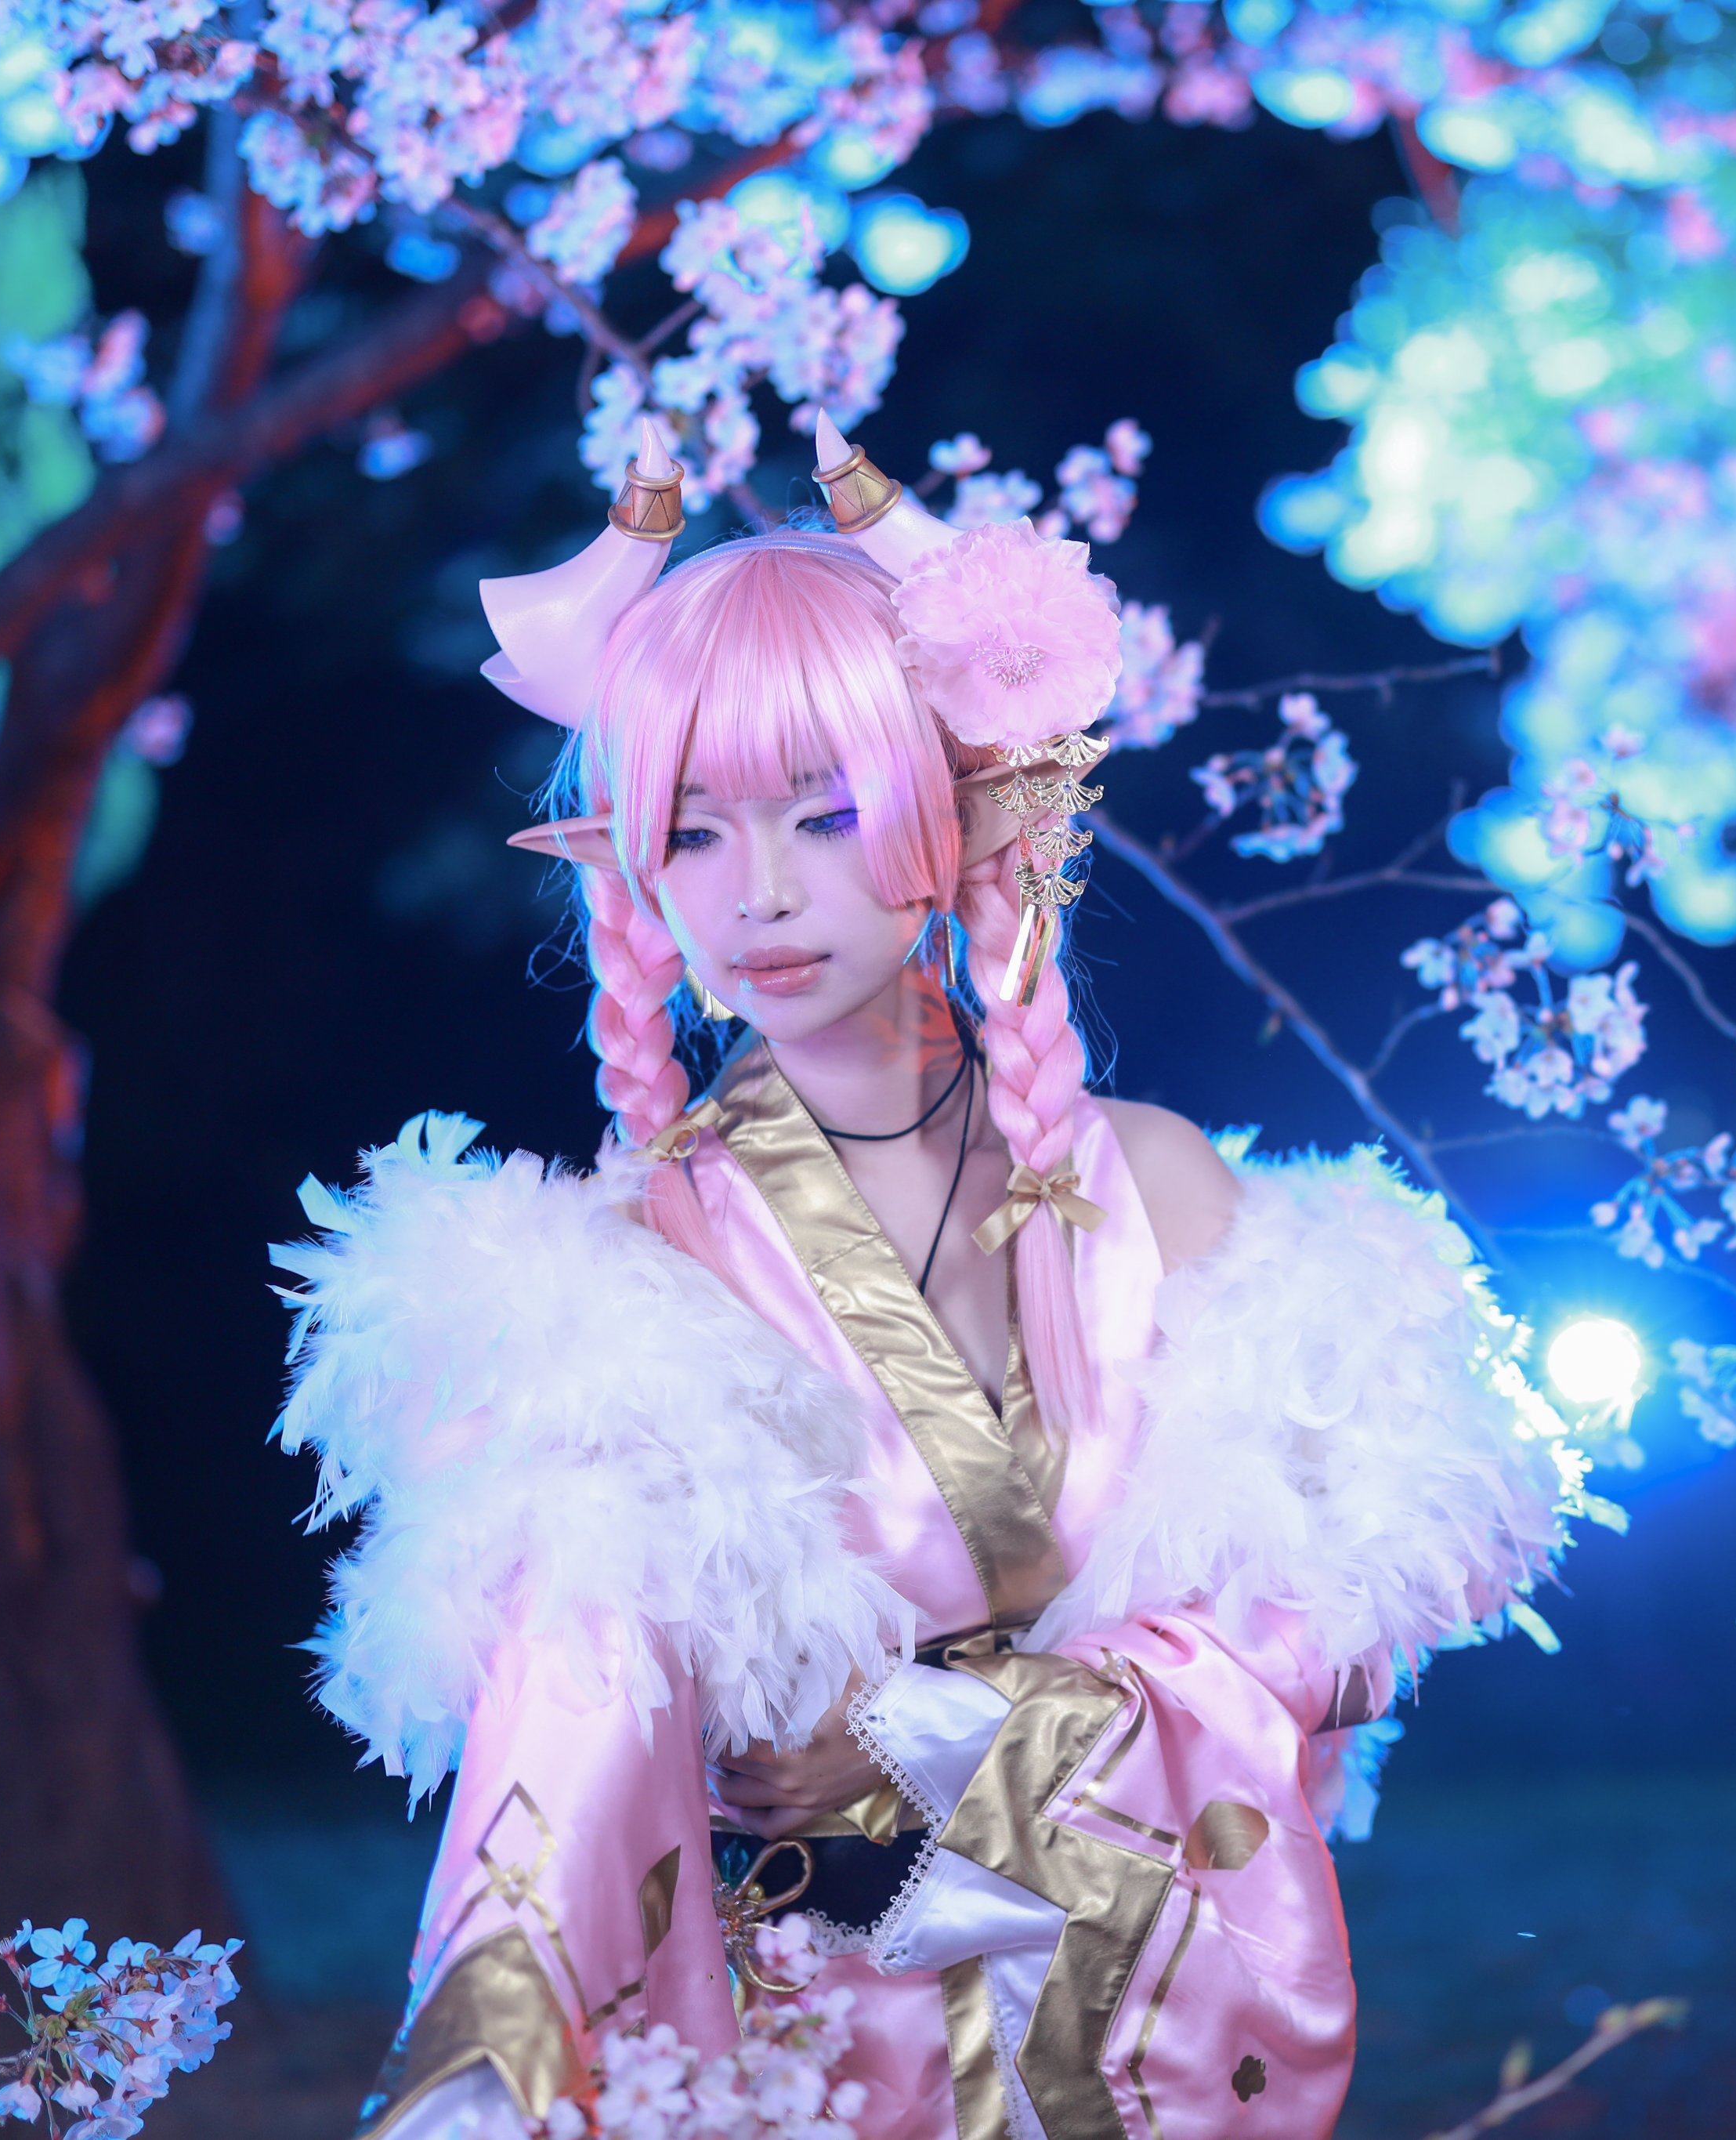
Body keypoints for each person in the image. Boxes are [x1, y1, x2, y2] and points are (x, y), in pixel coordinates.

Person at [272, 415, 1575, 2140]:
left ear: (951, 810)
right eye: (693, 832)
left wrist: (948, 1724)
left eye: (823, 814)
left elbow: (1348, 1617)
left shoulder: (1159, 1187)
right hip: (805, 2043)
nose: (760, 895)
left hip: (1111, 2004)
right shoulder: (607, 1279)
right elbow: (576, 1728)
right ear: (631, 867)